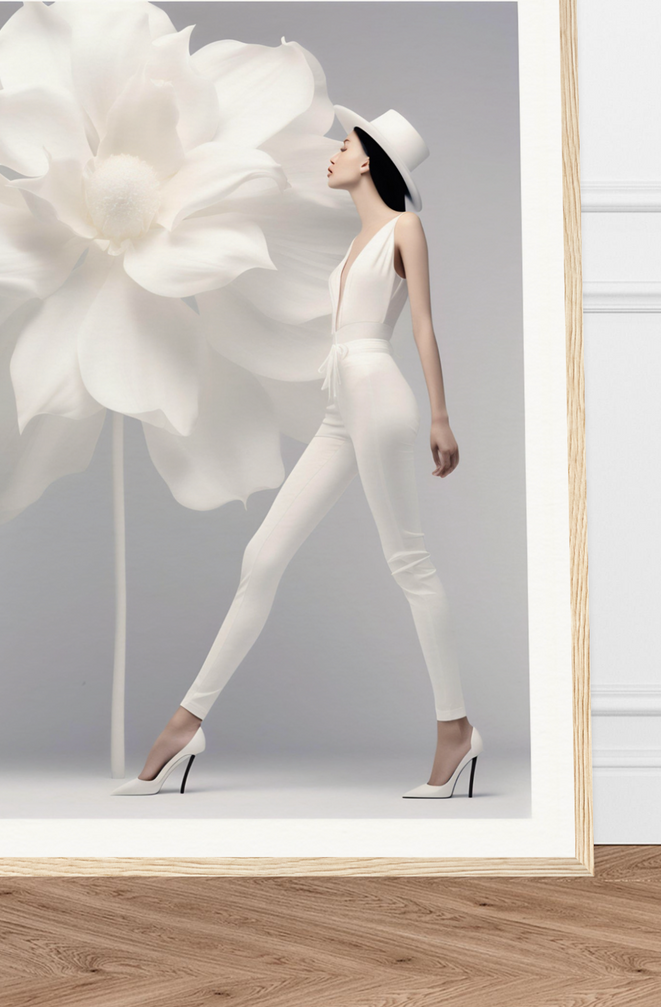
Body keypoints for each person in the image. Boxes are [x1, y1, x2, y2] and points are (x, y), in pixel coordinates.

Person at [113, 106, 480, 799]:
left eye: (343, 143)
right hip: (340, 402)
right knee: (261, 556)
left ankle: (454, 728)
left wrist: (440, 415)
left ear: (369, 159)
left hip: (377, 392)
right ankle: (187, 720)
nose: (332, 153)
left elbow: (424, 326)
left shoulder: (404, 229)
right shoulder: (352, 243)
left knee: (408, 562)